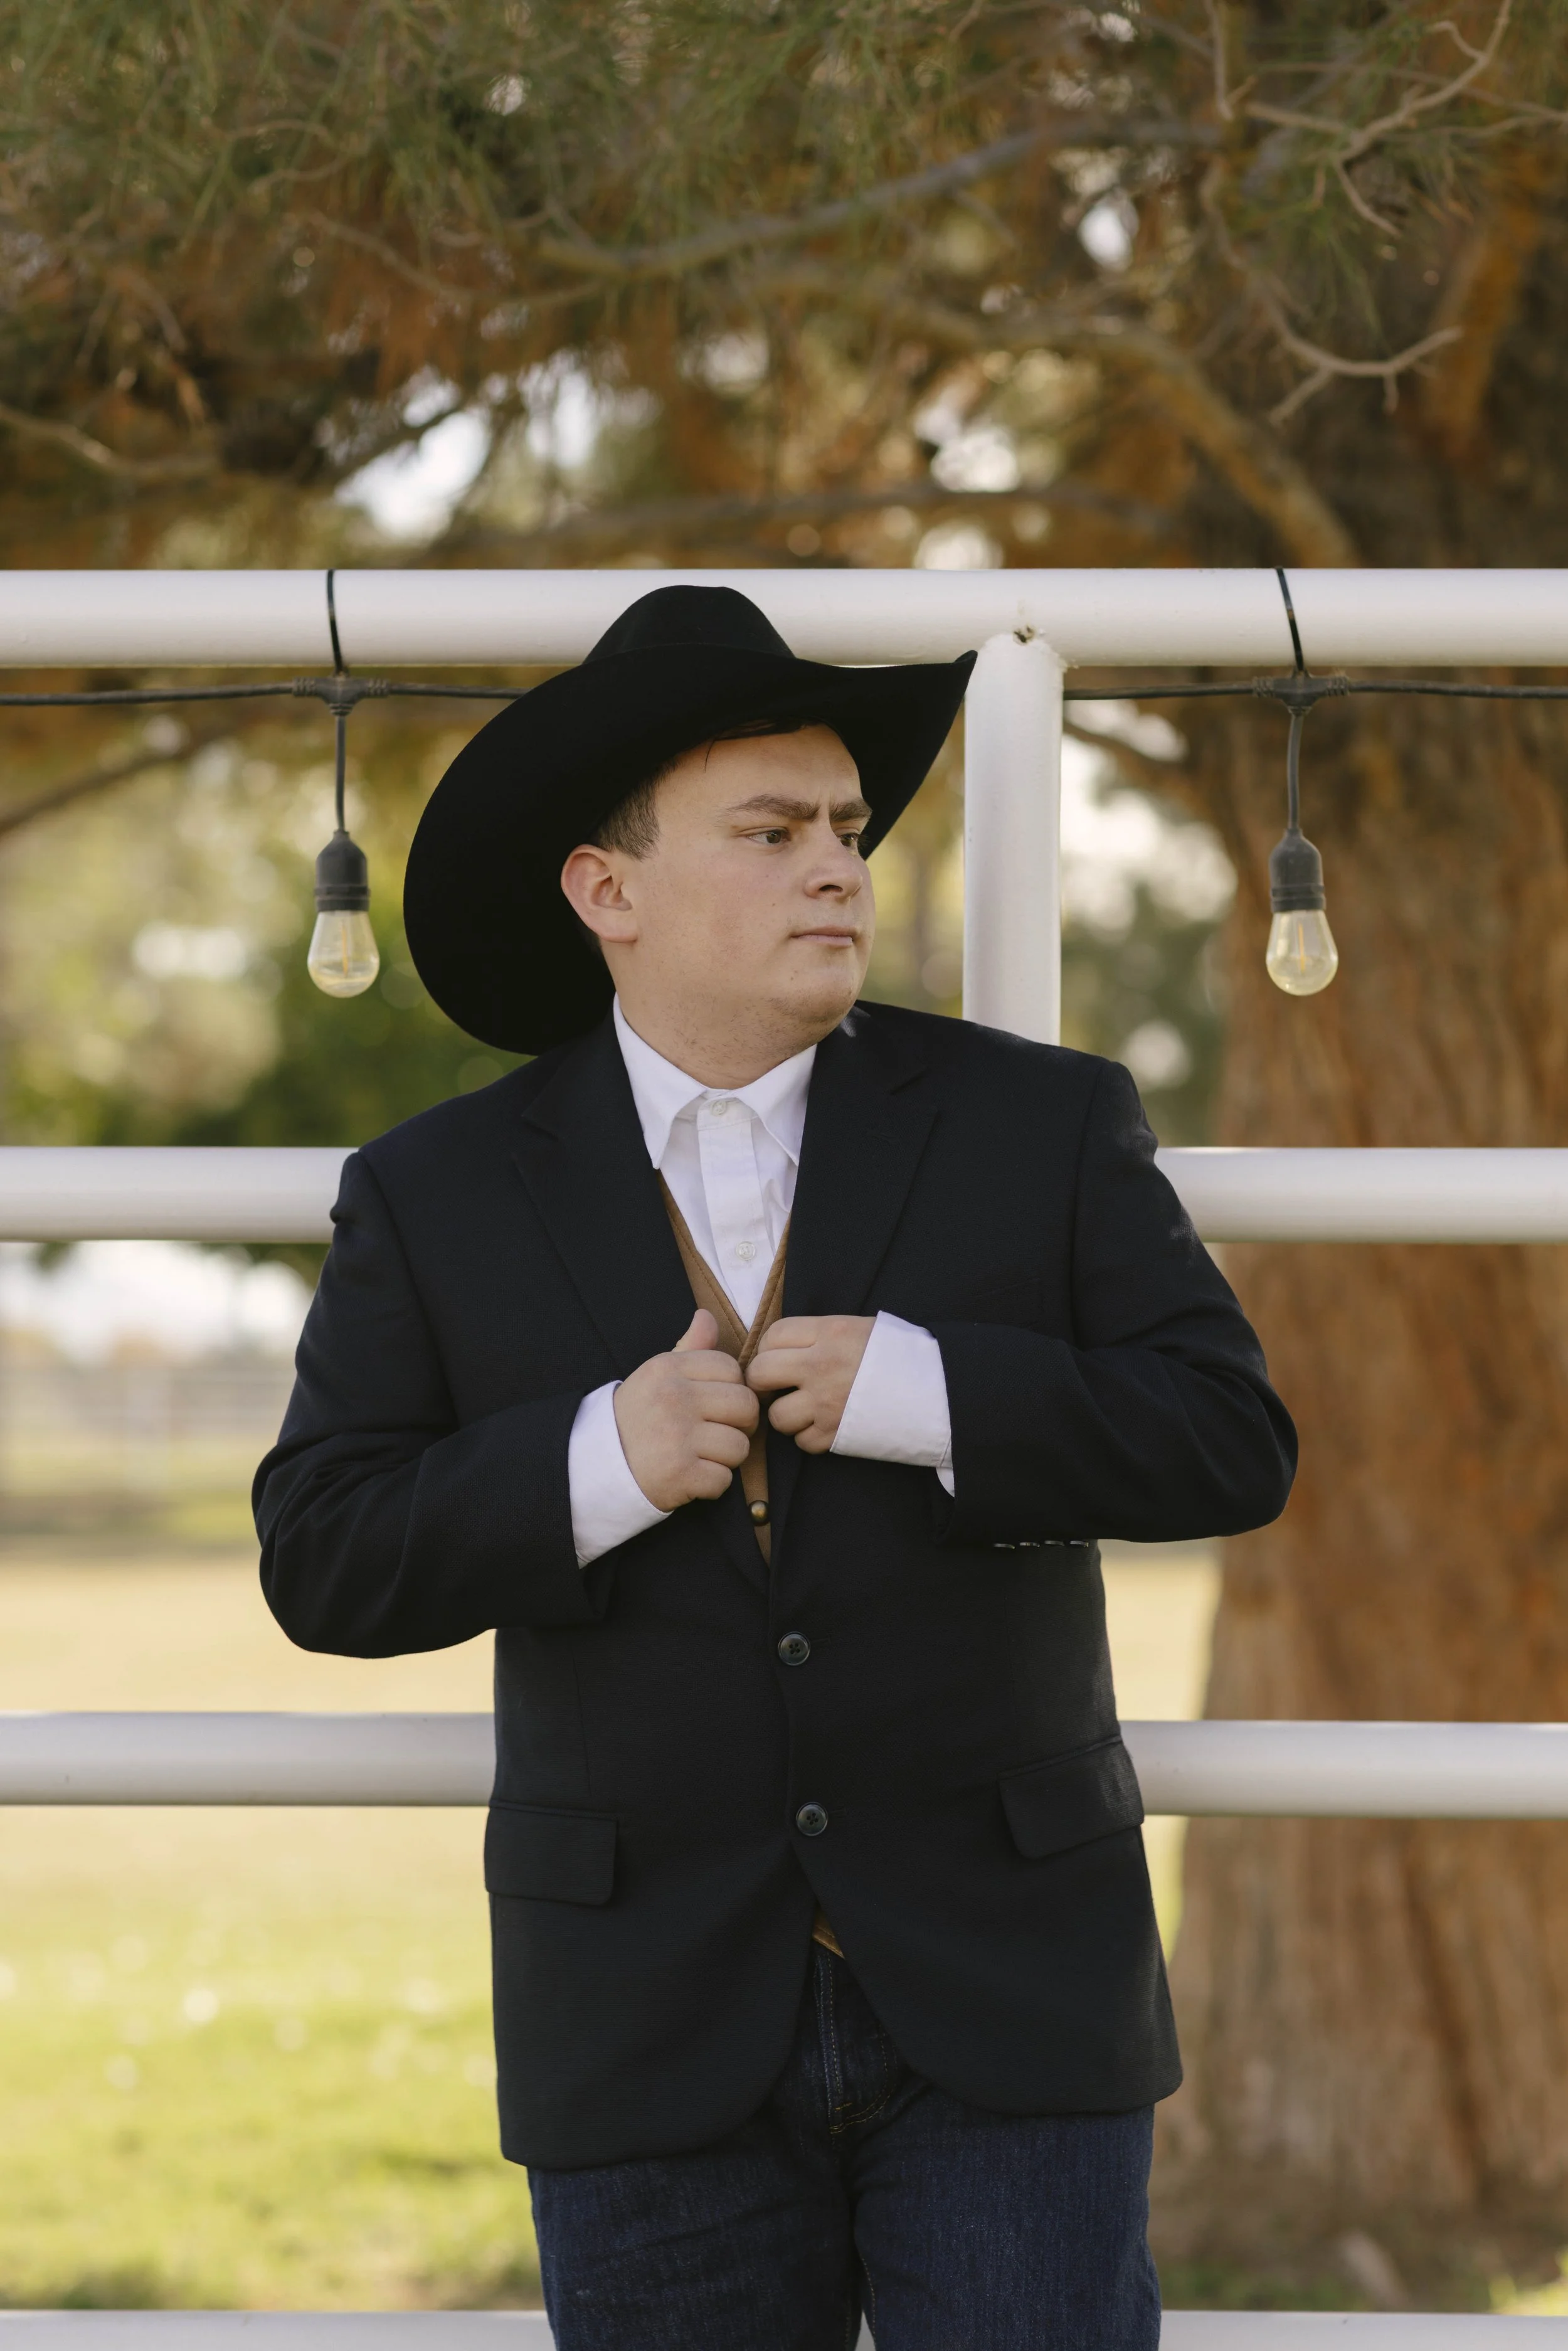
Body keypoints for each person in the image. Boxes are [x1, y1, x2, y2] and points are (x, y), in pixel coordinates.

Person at [255, 585, 1296, 2351]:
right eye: (770, 830)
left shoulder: (1038, 1123)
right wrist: (604, 1455)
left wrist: (937, 1393)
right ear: (609, 891)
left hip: (1007, 1988)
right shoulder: (434, 1192)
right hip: (641, 2007)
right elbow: (323, 1553)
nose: (836, 866)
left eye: (845, 828)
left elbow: (1228, 1435)